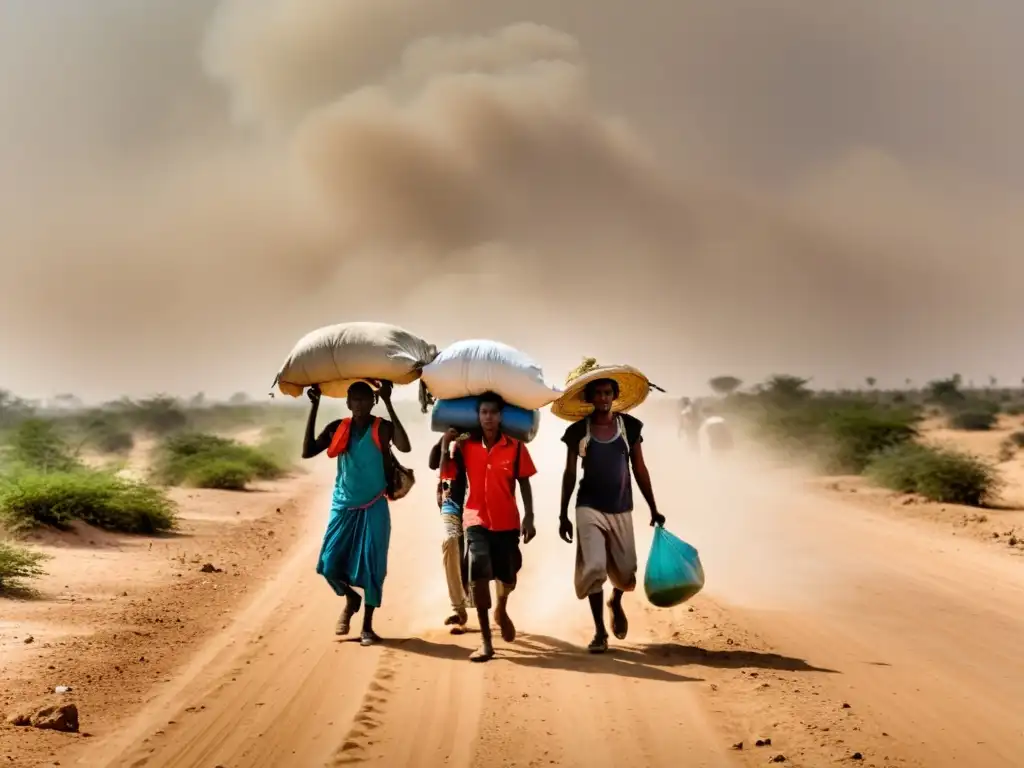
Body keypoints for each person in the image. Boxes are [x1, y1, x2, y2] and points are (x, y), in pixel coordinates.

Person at [559, 377, 666, 653]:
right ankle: (599, 632)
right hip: (588, 507)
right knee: (594, 567)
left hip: (621, 507)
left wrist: (654, 507)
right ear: (590, 398)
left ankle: (615, 601)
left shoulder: (628, 427)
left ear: (614, 396)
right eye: (598, 394)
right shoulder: (577, 431)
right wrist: (563, 514)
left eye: (608, 393)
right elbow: (570, 473)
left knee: (627, 572)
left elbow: (639, 469)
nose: (604, 398)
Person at [302, 380, 411, 646]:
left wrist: (387, 400)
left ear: (371, 402)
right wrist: (314, 406)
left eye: (365, 399)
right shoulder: (338, 428)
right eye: (355, 399)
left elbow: (405, 446)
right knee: (328, 564)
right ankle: (351, 598)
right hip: (343, 505)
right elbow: (307, 451)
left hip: (374, 504)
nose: (360, 404)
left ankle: (367, 627)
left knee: (373, 566)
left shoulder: (381, 427)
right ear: (348, 402)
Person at [443, 391, 537, 662]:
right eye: (483, 412)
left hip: (507, 521)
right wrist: (446, 444)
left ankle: (502, 609)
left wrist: (530, 515)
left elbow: (525, 482)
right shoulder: (466, 446)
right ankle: (486, 641)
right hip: (476, 518)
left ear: (501, 416)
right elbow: (445, 469)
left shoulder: (516, 446)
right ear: (478, 416)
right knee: (478, 571)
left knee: (508, 575)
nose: (488, 417)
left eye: (493, 413)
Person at [428, 428, 472, 631]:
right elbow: (433, 463)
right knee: (450, 543)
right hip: (451, 506)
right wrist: (444, 440)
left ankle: (474, 602)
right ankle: (458, 608)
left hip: (477, 507)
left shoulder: (477, 442)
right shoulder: (450, 444)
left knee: (470, 557)